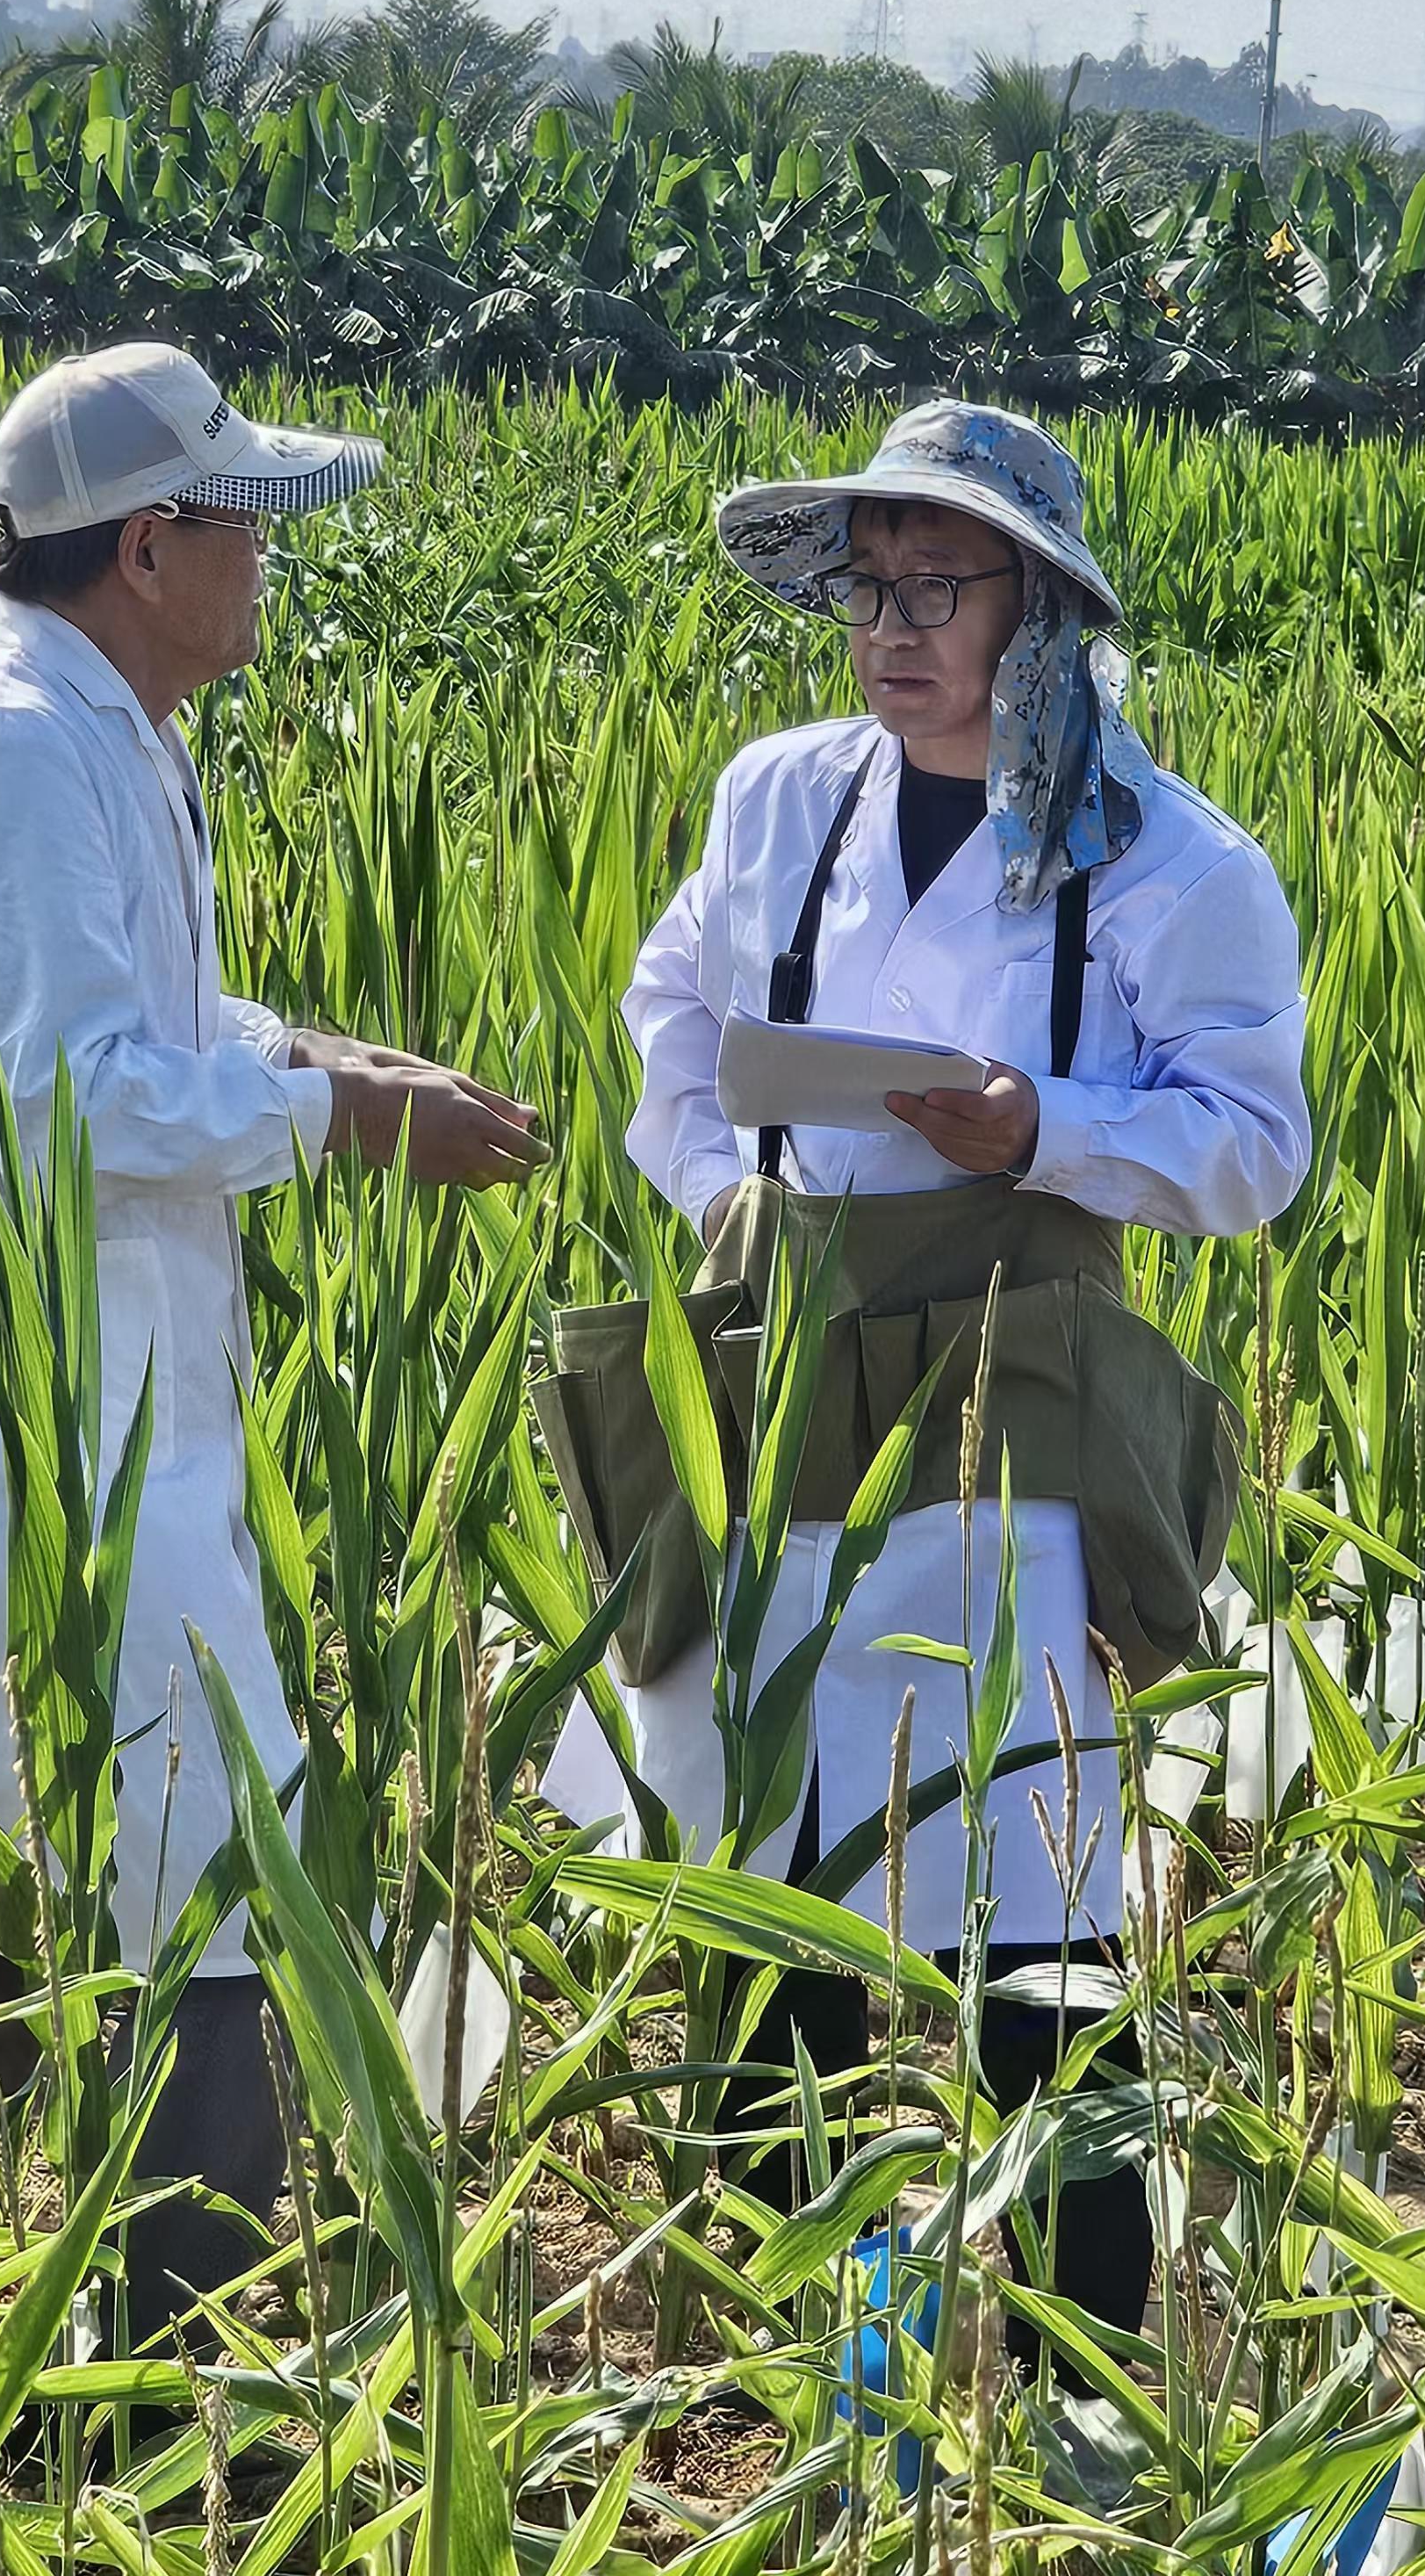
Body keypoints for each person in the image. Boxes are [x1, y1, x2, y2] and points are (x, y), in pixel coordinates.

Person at [0, 342, 542, 2344]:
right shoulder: (14, 753)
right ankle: (131, 2387)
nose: (266, 557)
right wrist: (339, 1117)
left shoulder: (98, 734)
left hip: (94, 1419)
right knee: (150, 1888)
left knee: (37, 1884)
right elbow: (60, 1091)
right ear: (145, 549)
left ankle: (13, 2369)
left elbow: (137, 1021)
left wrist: (317, 1052)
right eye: (243, 520)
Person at [593, 400, 1308, 2337]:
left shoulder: (1170, 861)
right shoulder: (777, 796)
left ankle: (1084, 2359)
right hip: (778, 1376)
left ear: (1037, 607)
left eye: (934, 588)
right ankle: (783, 2340)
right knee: (770, 1865)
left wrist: (1045, 1127)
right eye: (867, 588)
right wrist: (723, 1186)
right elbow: (670, 1013)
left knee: (1030, 1901)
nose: (889, 629)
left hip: (1009, 1400)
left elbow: (1254, 1144)